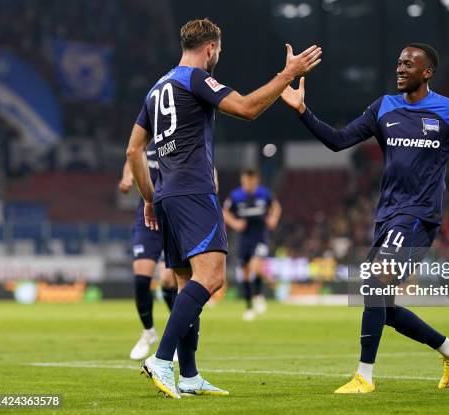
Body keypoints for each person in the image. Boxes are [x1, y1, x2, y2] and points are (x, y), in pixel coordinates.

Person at [280, 43, 449, 393]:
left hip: (419, 216)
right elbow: (339, 141)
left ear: (427, 71)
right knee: (380, 303)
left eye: (408, 64)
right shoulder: (383, 107)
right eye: (399, 63)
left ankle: (364, 377)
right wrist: (302, 112)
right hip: (387, 216)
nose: (400, 68)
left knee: (374, 285)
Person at [126, 18, 321, 398]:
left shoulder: (156, 89)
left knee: (187, 284)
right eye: (220, 50)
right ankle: (162, 361)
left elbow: (134, 149)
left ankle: (191, 375)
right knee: (212, 278)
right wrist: (287, 74)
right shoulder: (195, 78)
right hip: (193, 192)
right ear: (211, 48)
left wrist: (149, 198)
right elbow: (247, 108)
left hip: (166, 195)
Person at [118, 147, 178, 361]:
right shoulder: (146, 145)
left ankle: (178, 335)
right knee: (141, 280)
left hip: (173, 219)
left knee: (169, 282)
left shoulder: (178, 141)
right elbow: (132, 157)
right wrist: (127, 177)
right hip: (147, 218)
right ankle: (148, 332)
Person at [223, 168, 281, 321]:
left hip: (260, 236)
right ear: (243, 181)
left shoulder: (264, 193)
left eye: (252, 181)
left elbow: (276, 206)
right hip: (244, 238)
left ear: (256, 181)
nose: (249, 184)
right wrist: (235, 223)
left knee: (256, 265)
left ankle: (258, 295)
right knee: (246, 272)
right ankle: (249, 307)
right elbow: (225, 212)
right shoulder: (235, 196)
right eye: (246, 181)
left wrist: (273, 218)